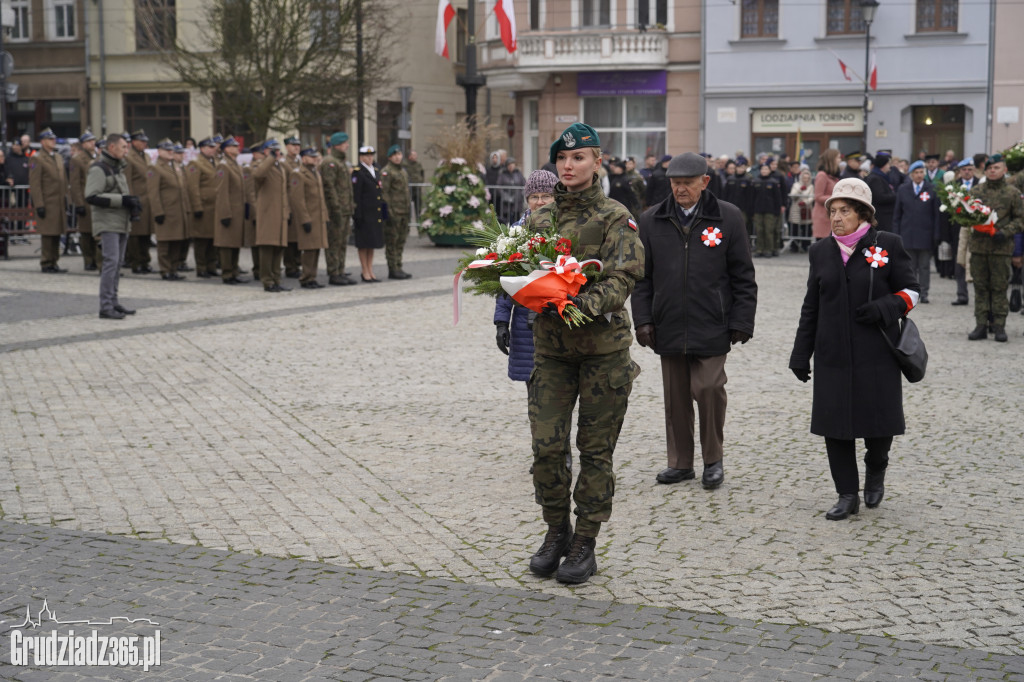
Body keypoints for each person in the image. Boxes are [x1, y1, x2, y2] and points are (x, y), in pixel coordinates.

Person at [523, 123, 643, 585]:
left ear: (597, 163)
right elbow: (521, 274)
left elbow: (625, 276)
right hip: (552, 352)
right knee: (547, 448)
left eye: (578, 159)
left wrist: (584, 304)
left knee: (595, 451)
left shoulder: (615, 217)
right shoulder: (540, 220)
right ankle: (556, 531)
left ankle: (585, 542)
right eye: (562, 160)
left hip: (602, 354)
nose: (568, 167)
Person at [789, 178, 920, 520]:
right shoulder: (820, 251)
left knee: (879, 425)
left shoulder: (887, 244)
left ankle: (876, 468)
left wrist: (888, 306)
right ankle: (847, 494)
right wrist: (800, 353)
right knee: (835, 425)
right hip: (832, 353)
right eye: (832, 210)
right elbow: (811, 307)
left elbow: (913, 290)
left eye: (844, 210)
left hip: (877, 352)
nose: (835, 217)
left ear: (862, 213)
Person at [631, 152, 757, 491]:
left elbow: (743, 275)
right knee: (675, 398)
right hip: (667, 321)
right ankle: (681, 463)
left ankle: (713, 460)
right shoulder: (651, 220)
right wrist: (643, 319)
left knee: (709, 387)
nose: (680, 189)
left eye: (687, 182)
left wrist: (742, 319)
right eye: (675, 183)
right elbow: (642, 278)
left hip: (712, 321)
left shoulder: (727, 218)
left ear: (705, 181)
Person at [493, 170, 562, 473]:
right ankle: (542, 454)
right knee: (534, 395)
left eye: (546, 195)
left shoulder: (563, 231)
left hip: (557, 320)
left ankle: (561, 453)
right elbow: (505, 283)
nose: (540, 201)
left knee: (559, 393)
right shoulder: (516, 234)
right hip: (525, 326)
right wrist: (501, 322)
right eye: (534, 196)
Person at [966, 153, 1024, 342]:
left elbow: (1020, 219)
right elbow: (966, 215)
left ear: (1004, 170)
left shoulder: (1012, 193)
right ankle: (981, 325)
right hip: (979, 247)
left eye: (996, 167)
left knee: (999, 288)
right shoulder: (976, 191)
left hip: (1001, 248)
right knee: (981, 288)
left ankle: (999, 326)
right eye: (989, 168)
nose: (992, 170)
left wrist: (1005, 232)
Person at [86, 134, 140, 319]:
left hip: (121, 222)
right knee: (110, 263)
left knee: (117, 264)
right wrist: (122, 200)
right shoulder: (99, 169)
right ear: (111, 147)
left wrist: (131, 202)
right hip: (108, 222)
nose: (127, 151)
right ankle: (106, 306)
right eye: (123, 147)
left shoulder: (117, 168)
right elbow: (91, 196)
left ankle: (113, 302)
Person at [892, 160, 940, 304]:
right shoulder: (903, 189)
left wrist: (936, 235)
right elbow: (897, 215)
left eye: (921, 172)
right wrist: (896, 234)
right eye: (916, 172)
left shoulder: (931, 188)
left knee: (925, 266)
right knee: (910, 267)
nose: (919, 175)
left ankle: (924, 292)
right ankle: (912, 293)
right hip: (907, 235)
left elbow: (936, 215)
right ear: (911, 174)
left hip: (925, 235)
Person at [147, 139, 191, 280]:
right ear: (159, 152)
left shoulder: (175, 166)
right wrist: (158, 212)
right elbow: (153, 193)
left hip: (178, 212)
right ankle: (165, 270)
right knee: (165, 243)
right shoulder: (155, 168)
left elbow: (183, 190)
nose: (171, 152)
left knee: (177, 241)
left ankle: (173, 269)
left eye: (172, 150)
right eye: (168, 150)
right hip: (166, 212)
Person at [253, 140, 292, 292]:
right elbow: (258, 175)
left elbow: (291, 174)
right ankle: (267, 280)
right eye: (272, 150)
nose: (276, 152)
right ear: (265, 151)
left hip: (280, 212)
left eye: (277, 150)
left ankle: (276, 279)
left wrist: (281, 159)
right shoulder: (261, 164)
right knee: (267, 248)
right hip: (268, 213)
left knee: (278, 248)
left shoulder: (279, 166)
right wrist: (269, 158)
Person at [28, 128, 69, 273]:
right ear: (43, 141)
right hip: (47, 202)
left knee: (57, 233)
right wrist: (39, 204)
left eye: (54, 139)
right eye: (50, 139)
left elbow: (63, 179)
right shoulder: (37, 158)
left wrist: (66, 198)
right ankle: (46, 262)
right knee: (48, 234)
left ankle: (54, 262)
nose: (53, 141)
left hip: (58, 203)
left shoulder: (57, 157)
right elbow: (35, 184)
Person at [288, 147, 329, 288]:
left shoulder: (315, 173)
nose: (315, 159)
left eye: (315, 156)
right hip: (308, 218)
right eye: (311, 157)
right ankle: (305, 278)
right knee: (309, 250)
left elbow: (320, 198)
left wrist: (325, 217)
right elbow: (297, 200)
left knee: (316, 248)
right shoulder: (298, 174)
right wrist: (304, 219)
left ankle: (312, 277)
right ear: (304, 158)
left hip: (318, 218)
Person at [321, 132, 357, 286]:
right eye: (345, 143)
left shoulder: (341, 162)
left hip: (345, 209)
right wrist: (335, 208)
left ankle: (340, 270)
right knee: (334, 242)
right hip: (336, 210)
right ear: (337, 145)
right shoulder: (330, 162)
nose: (347, 146)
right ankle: (333, 272)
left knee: (342, 242)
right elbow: (329, 188)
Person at [214, 136, 248, 284]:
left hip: (237, 211)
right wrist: (225, 213)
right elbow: (222, 191)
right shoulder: (223, 166)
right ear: (226, 149)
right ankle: (227, 273)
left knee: (235, 243)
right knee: (227, 244)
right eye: (234, 146)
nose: (237, 148)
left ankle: (234, 271)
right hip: (229, 211)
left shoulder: (236, 165)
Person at [187, 137, 221, 277]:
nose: (212, 149)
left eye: (213, 147)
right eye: (209, 147)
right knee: (202, 239)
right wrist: (197, 206)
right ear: (202, 148)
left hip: (215, 207)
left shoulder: (217, 162)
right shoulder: (195, 164)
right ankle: (201, 267)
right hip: (204, 206)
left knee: (213, 238)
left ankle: (211, 265)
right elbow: (193, 187)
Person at [352, 145, 385, 282]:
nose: (370, 158)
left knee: (372, 243)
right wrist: (357, 214)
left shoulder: (375, 170)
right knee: (363, 244)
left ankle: (370, 269)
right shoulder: (358, 172)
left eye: (371, 155)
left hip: (375, 213)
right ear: (361, 157)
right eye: (366, 156)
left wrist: (383, 213)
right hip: (364, 213)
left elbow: (379, 193)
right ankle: (364, 270)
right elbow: (356, 195)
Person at [123, 130, 154, 274]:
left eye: (145, 141)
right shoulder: (129, 157)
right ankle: (136, 263)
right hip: (136, 199)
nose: (144, 144)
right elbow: (127, 180)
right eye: (141, 141)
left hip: (147, 200)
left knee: (146, 233)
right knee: (135, 234)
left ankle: (145, 261)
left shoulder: (146, 156)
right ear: (133, 142)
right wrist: (129, 199)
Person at [380, 144, 413, 279]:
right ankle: (392, 268)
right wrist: (389, 212)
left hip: (404, 211)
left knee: (401, 240)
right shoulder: (387, 172)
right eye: (395, 155)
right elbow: (385, 193)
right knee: (392, 242)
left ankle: (398, 266)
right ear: (389, 157)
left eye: (399, 154)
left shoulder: (403, 171)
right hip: (394, 211)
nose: (398, 157)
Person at [70, 130, 100, 271]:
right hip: (86, 200)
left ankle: (98, 259)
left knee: (97, 232)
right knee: (86, 234)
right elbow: (75, 183)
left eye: (93, 140)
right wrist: (79, 203)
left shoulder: (98, 157)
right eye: (89, 141)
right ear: (83, 144)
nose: (92, 143)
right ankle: (89, 260)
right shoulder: (77, 159)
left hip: (98, 201)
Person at [950, 158, 976, 306]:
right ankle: (962, 294)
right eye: (964, 170)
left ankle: (979, 293)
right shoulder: (952, 187)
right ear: (960, 172)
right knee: (959, 262)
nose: (967, 172)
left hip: (977, 230)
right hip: (957, 230)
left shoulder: (981, 184)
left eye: (970, 169)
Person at [749, 161, 786, 257]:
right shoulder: (755, 181)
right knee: (759, 230)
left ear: (769, 170)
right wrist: (752, 211)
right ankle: (759, 249)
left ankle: (769, 249)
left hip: (770, 210)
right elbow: (752, 197)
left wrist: (777, 211)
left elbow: (778, 198)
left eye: (766, 169)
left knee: (769, 230)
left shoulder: (773, 182)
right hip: (758, 210)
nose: (764, 171)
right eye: (762, 169)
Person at [812, 149, 841, 242]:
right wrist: (836, 197)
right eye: (838, 157)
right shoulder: (822, 175)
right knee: (823, 248)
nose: (840, 160)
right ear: (832, 159)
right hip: (823, 216)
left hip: (831, 215)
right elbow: (818, 196)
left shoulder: (832, 176)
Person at [864, 152, 896, 232]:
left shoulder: (880, 177)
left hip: (883, 216)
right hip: (881, 217)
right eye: (888, 164)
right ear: (883, 166)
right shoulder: (875, 179)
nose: (889, 167)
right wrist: (895, 196)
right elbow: (880, 197)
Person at [788, 168, 814, 252]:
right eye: (804, 178)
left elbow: (811, 197)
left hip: (806, 209)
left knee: (806, 228)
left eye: (807, 178)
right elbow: (792, 195)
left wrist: (805, 202)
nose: (805, 180)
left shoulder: (811, 186)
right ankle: (794, 246)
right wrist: (800, 190)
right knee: (794, 227)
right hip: (796, 208)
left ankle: (805, 245)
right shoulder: (796, 185)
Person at [496, 157, 527, 226]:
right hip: (506, 202)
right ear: (507, 166)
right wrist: (505, 196)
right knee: (506, 220)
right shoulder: (503, 174)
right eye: (509, 165)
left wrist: (522, 193)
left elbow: (524, 184)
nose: (511, 166)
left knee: (517, 219)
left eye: (512, 164)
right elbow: (498, 187)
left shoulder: (518, 174)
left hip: (517, 201)